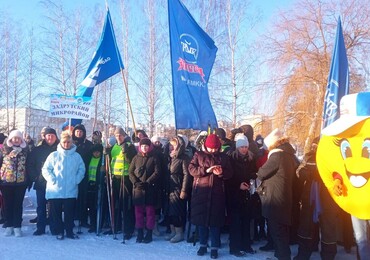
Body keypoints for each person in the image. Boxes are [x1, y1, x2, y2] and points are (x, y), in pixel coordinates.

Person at [188, 134, 233, 259]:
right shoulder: (198, 154)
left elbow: (230, 173)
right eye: (210, 148)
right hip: (201, 192)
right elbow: (191, 169)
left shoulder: (223, 157)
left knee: (215, 222)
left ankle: (214, 247)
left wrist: (221, 173)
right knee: (202, 222)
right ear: (206, 146)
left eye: (215, 148)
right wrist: (205, 171)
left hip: (217, 193)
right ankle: (202, 244)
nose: (213, 150)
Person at [256, 128, 298, 260]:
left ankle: (284, 257)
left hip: (276, 199)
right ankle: (281, 255)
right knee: (282, 231)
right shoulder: (289, 154)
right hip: (285, 197)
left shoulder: (277, 155)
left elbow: (262, 173)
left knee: (277, 232)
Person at [294, 137, 338, 260]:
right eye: (314, 146)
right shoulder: (308, 156)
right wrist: (308, 174)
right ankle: (303, 254)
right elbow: (299, 171)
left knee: (328, 228)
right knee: (306, 227)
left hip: (328, 197)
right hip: (310, 197)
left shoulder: (334, 157)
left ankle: (328, 256)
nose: (315, 148)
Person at [42, 131, 85, 240]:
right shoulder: (54, 155)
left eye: (68, 142)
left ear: (71, 142)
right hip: (55, 189)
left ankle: (69, 232)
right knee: (56, 214)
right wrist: (52, 179)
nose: (66, 144)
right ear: (61, 142)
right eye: (64, 142)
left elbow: (82, 169)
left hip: (71, 189)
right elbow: (46, 169)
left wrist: (76, 180)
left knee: (69, 213)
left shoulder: (76, 156)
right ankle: (59, 231)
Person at [227, 133, 257, 257]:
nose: (244, 149)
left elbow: (254, 172)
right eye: (241, 147)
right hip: (234, 194)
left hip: (247, 194)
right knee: (235, 222)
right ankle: (234, 247)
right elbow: (228, 177)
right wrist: (238, 185)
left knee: (246, 220)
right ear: (237, 147)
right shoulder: (231, 159)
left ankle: (246, 244)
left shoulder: (250, 158)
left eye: (245, 147)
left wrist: (252, 180)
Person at [27, 127, 59, 236]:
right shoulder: (37, 150)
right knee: (41, 206)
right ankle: (40, 227)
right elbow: (30, 164)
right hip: (41, 182)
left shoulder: (60, 149)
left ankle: (54, 227)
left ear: (56, 137)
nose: (50, 137)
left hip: (56, 183)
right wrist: (35, 177)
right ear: (44, 137)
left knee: (54, 206)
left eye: (52, 135)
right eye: (48, 135)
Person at [129, 138, 160, 243]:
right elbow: (130, 171)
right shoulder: (135, 158)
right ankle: (140, 232)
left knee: (150, 212)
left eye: (146, 146)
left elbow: (157, 172)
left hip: (149, 189)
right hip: (138, 189)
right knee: (138, 212)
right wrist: (135, 182)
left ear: (149, 146)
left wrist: (148, 182)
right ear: (140, 147)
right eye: (142, 146)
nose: (144, 148)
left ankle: (149, 233)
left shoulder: (154, 157)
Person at [109, 126, 137, 239]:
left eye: (120, 135)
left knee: (126, 204)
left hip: (125, 178)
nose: (118, 137)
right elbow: (112, 161)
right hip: (115, 177)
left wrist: (126, 152)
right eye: (116, 135)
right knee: (115, 204)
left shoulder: (129, 146)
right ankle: (116, 226)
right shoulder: (115, 146)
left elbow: (132, 161)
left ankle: (128, 229)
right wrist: (106, 153)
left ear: (124, 135)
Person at [0, 130, 29, 237]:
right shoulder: (4, 150)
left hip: (21, 183)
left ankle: (17, 227)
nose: (16, 140)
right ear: (10, 139)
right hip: (6, 182)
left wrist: (28, 180)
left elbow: (29, 165)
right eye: (14, 138)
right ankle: (9, 226)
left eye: (18, 138)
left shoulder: (25, 151)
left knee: (18, 205)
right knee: (8, 205)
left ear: (21, 140)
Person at [164, 136, 192, 243]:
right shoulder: (169, 158)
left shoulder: (183, 158)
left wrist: (184, 190)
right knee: (169, 211)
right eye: (170, 145)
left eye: (174, 145)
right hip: (169, 187)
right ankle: (173, 231)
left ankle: (179, 232)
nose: (171, 147)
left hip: (178, 188)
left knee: (177, 212)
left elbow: (187, 175)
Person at [72, 124, 93, 229]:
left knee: (83, 198)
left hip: (84, 174)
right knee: (71, 197)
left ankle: (83, 219)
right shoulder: (70, 143)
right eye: (77, 131)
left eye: (81, 131)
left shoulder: (88, 144)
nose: (79, 133)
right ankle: (71, 218)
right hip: (71, 173)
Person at [86, 144, 103, 233]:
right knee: (91, 206)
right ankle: (93, 224)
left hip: (98, 185)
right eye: (95, 152)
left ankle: (99, 224)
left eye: (98, 152)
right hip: (90, 184)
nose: (96, 154)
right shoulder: (90, 159)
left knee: (98, 206)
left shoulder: (102, 161)